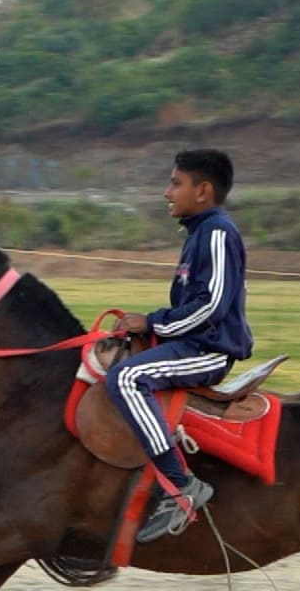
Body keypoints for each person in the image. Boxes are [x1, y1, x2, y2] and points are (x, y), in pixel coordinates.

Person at [106, 149, 254, 543]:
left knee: (126, 378)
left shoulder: (218, 233)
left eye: (175, 183)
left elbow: (212, 305)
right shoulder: (199, 233)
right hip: (191, 341)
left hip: (209, 350)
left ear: (203, 190)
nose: (166, 192)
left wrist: (153, 322)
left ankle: (181, 486)